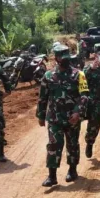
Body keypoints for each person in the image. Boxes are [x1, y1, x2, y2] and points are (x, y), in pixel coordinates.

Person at [36, 45, 89, 187]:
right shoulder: (48, 76)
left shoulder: (79, 74)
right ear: (56, 58)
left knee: (72, 145)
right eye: (61, 57)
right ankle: (52, 176)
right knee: (53, 145)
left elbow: (84, 96)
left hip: (73, 118)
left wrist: (78, 112)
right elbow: (43, 98)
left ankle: (72, 170)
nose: (65, 60)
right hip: (54, 118)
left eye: (66, 57)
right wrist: (41, 116)